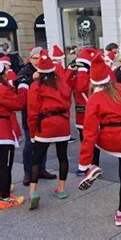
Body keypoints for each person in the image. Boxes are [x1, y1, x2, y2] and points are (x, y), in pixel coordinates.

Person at [77, 53, 121, 226]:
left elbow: (89, 133)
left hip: (109, 139)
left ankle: (92, 167)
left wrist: (84, 163)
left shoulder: (94, 99)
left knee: (93, 138)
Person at [27, 50, 72, 210]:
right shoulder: (62, 84)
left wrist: (32, 132)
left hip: (45, 124)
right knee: (63, 157)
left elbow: (32, 111)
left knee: (36, 159)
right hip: (62, 124)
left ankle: (33, 192)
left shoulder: (36, 86)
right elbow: (68, 103)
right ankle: (61, 189)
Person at [17, 47, 57, 186]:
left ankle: (41, 169)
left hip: (45, 115)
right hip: (30, 114)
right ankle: (28, 172)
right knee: (30, 144)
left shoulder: (47, 70)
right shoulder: (25, 71)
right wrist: (31, 80)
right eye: (34, 58)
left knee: (43, 144)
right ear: (30, 59)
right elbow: (19, 86)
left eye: (40, 57)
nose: (37, 60)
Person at [67, 48, 101, 175]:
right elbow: (65, 85)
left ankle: (93, 165)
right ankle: (87, 164)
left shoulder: (94, 75)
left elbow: (82, 87)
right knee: (84, 141)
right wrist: (70, 69)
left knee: (93, 141)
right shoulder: (78, 74)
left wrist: (82, 69)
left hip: (92, 113)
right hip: (80, 114)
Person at [0, 62, 28, 209]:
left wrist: (12, 84)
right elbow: (18, 104)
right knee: (5, 166)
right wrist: (23, 86)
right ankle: (5, 198)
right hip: (2, 132)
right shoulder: (2, 90)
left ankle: (2, 191)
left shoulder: (4, 89)